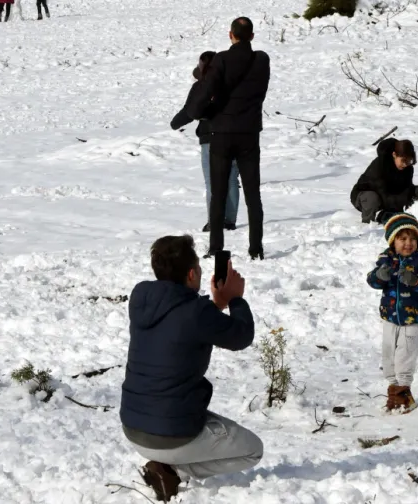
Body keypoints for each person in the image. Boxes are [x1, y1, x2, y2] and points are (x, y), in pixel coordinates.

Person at [120, 235, 262, 502]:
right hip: (172, 434)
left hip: (133, 427)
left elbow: (181, 320)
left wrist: (215, 304)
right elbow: (241, 336)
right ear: (192, 273)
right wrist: (235, 300)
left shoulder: (140, 297)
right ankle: (174, 471)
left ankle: (165, 465)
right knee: (253, 450)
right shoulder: (196, 313)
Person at [187, 17, 270, 260]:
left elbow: (205, 93)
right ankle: (256, 249)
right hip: (249, 134)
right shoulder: (262, 59)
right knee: (253, 195)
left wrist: (201, 113)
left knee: (218, 192)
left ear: (230, 34)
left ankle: (216, 248)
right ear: (252, 36)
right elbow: (260, 92)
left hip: (221, 133)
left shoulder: (221, 59)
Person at [366, 213, 418, 412]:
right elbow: (372, 281)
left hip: (412, 318)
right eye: (402, 238)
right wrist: (379, 276)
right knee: (388, 358)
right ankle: (394, 391)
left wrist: (415, 280)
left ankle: (403, 395)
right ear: (392, 241)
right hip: (390, 318)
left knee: (404, 358)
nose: (408, 243)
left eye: (413, 238)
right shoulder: (386, 259)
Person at [171, 51, 241, 233]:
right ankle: (230, 220)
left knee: (213, 181)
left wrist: (174, 123)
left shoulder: (202, 87)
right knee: (231, 178)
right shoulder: (234, 84)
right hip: (234, 135)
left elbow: (189, 111)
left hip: (210, 138)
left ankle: (215, 221)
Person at [350, 138, 418, 224]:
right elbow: (382, 191)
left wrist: (403, 205)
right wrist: (396, 208)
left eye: (408, 161)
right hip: (366, 196)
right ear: (394, 155)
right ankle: (368, 224)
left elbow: (407, 188)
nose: (405, 164)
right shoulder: (380, 164)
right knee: (372, 198)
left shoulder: (408, 168)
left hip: (391, 196)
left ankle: (412, 214)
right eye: (403, 160)